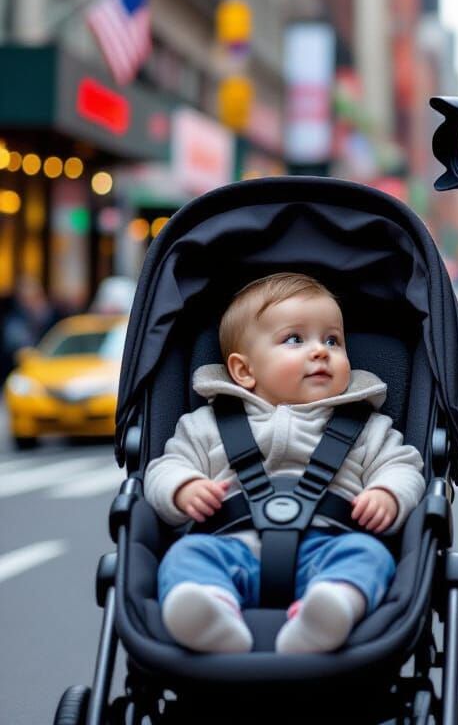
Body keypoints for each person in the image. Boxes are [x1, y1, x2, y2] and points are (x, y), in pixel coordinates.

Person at [144, 272, 425, 655]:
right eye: (295, 339)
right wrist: (183, 488)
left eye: (333, 340)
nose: (320, 351)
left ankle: (328, 610)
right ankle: (211, 613)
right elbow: (164, 468)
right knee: (184, 557)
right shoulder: (205, 426)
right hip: (230, 547)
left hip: (330, 546)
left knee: (370, 556)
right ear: (244, 371)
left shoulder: (366, 428)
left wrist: (387, 493)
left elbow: (404, 466)